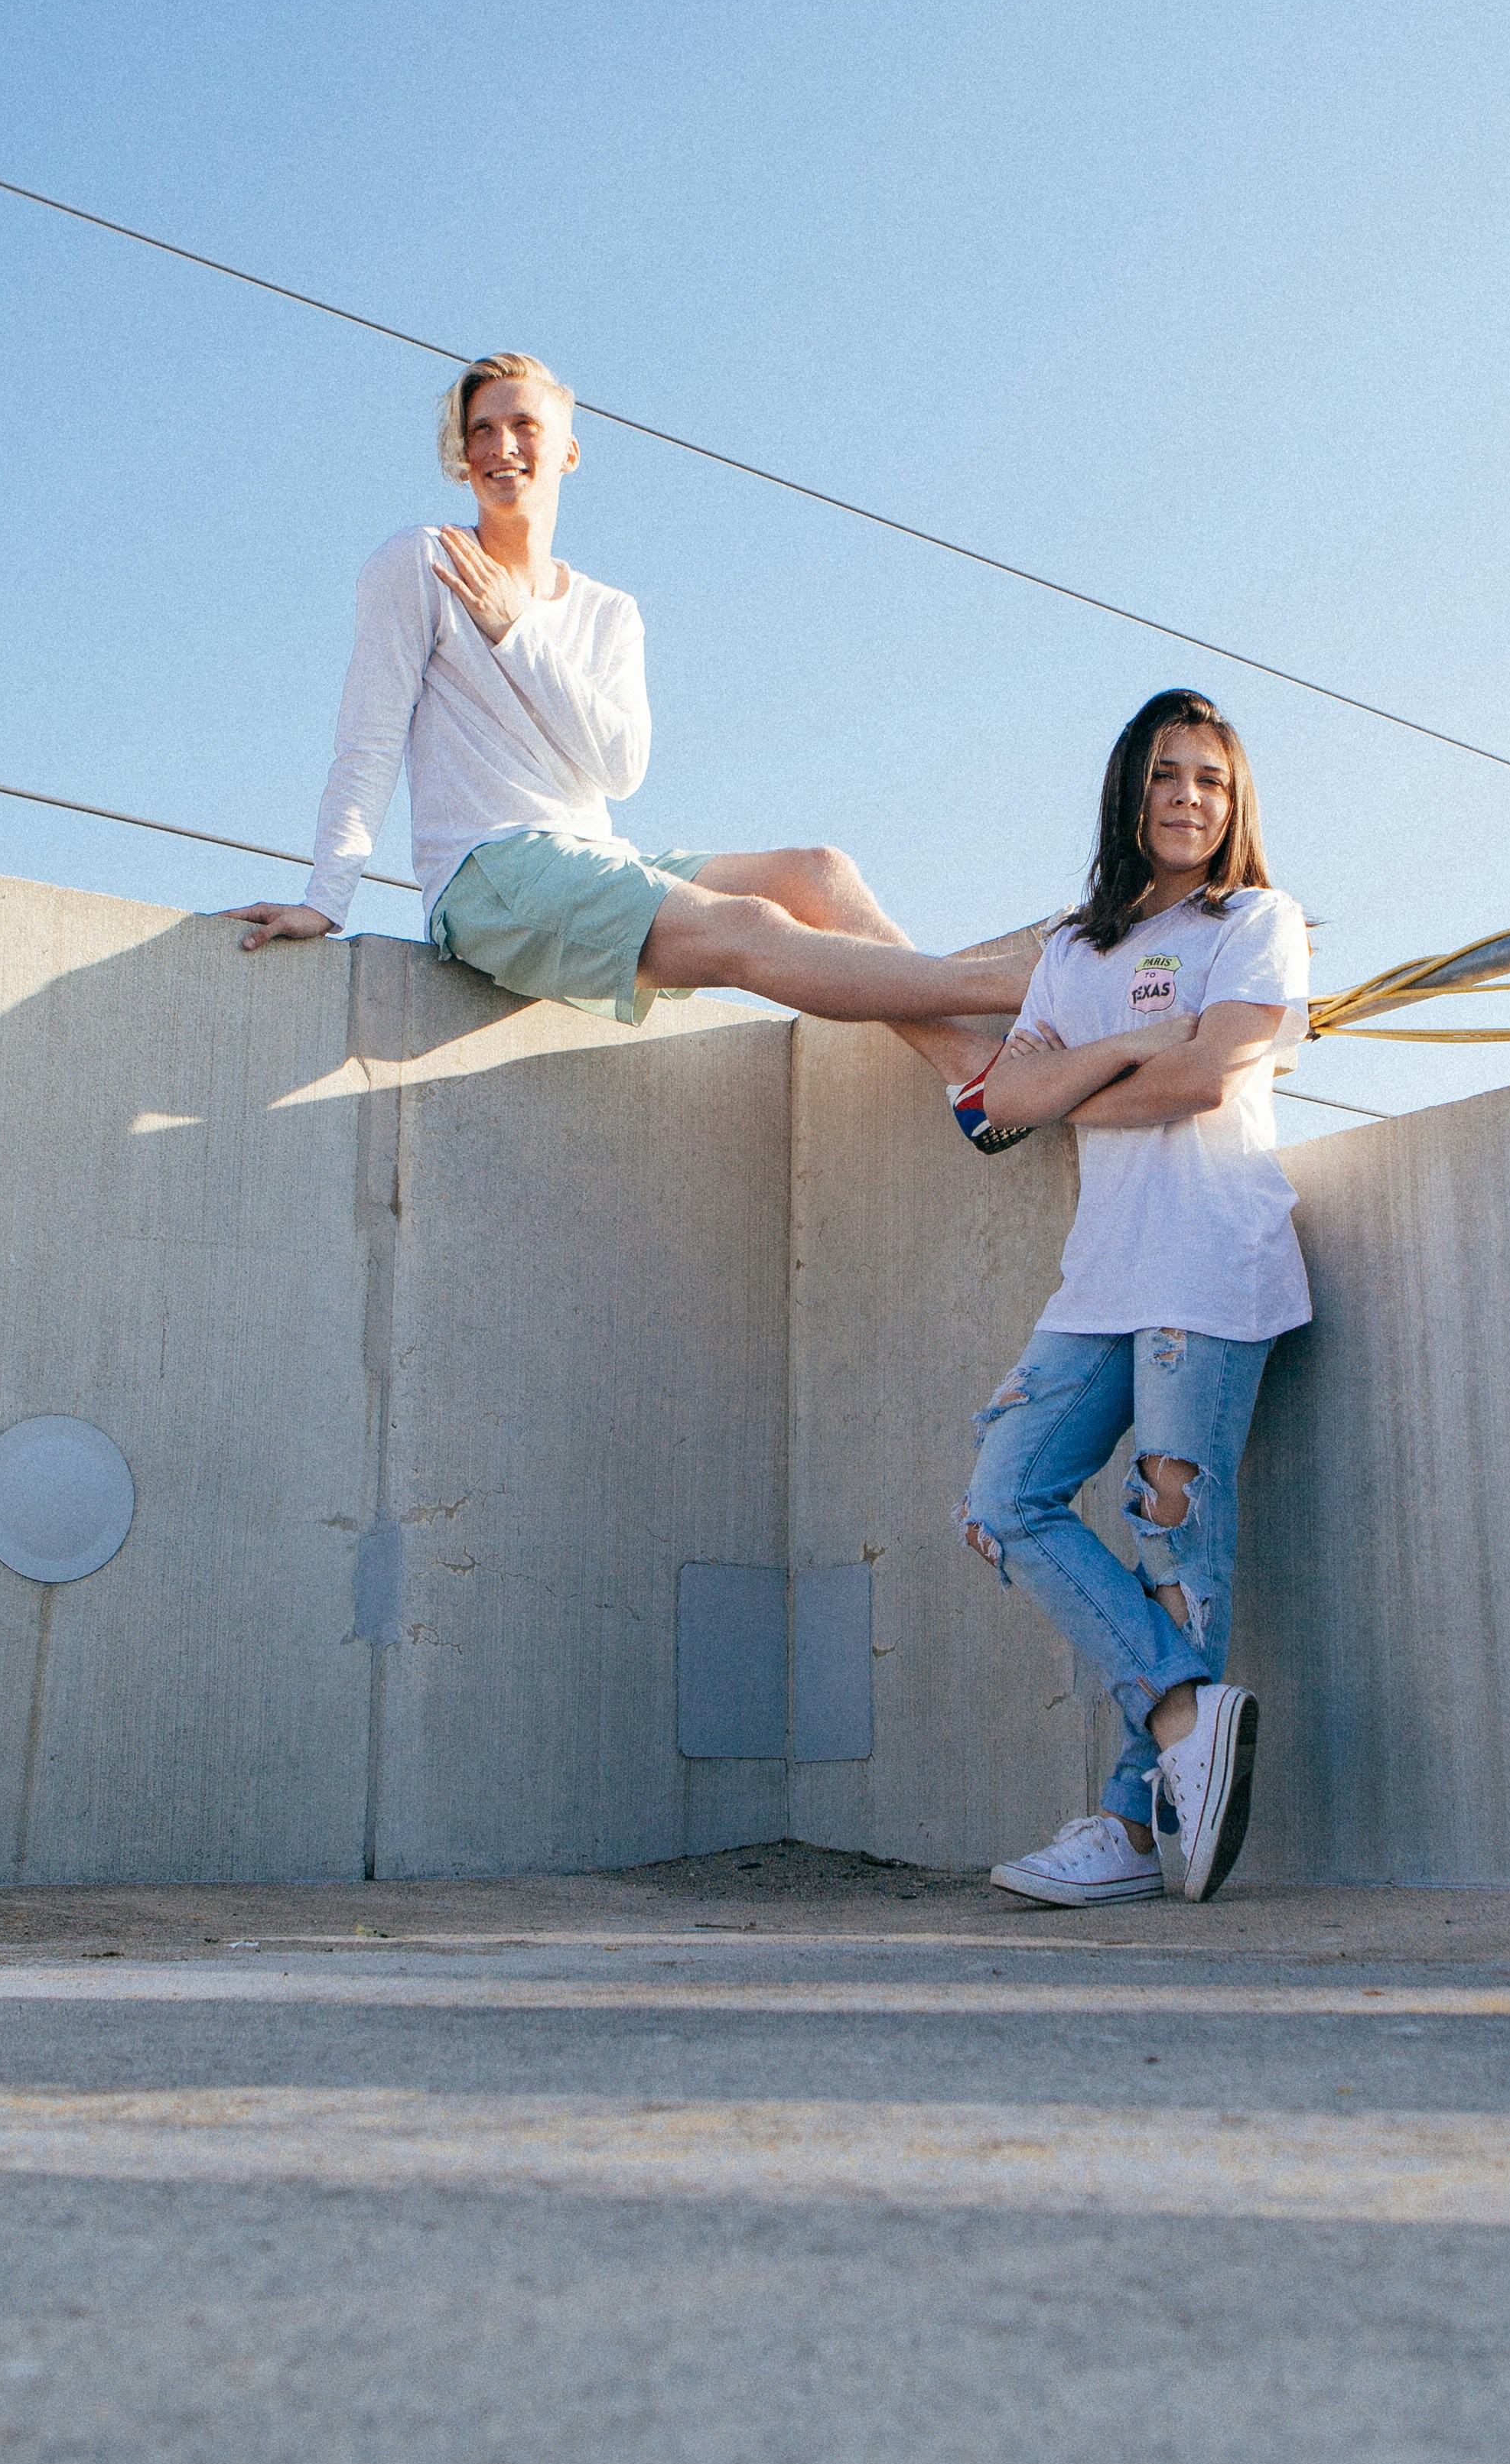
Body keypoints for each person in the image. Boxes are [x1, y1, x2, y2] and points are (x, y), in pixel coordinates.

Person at [222, 354, 1023, 1091]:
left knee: (817, 871)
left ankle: (971, 1070)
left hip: (591, 858)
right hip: (487, 874)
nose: (502, 445)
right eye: (481, 430)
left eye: (524, 425)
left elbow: (620, 766)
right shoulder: (422, 561)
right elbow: (367, 738)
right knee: (748, 926)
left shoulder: (609, 612)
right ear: (463, 458)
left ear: (567, 451)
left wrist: (518, 632)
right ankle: (1019, 982)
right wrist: (327, 898)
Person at [957, 688, 1310, 1907]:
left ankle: (1126, 1830)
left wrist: (1072, 1079)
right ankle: (1182, 1715)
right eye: (1168, 776)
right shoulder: (1074, 948)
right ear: (1132, 789)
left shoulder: (1257, 922)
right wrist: (1116, 1054)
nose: (1190, 800)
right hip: (1101, 1277)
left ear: (1236, 801)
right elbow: (1000, 1107)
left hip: (1210, 1263)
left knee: (1173, 1539)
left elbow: (1214, 1077)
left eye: (1212, 780)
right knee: (1007, 1494)